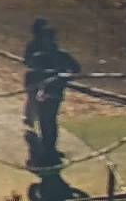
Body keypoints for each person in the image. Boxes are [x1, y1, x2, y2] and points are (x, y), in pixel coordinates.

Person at [32, 27, 81, 160]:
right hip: (41, 92)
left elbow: (76, 69)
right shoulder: (39, 56)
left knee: (50, 120)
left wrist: (64, 77)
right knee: (44, 120)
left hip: (55, 93)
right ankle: (47, 146)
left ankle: (50, 147)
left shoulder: (62, 55)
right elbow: (35, 72)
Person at [23, 18, 50, 128]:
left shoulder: (34, 44)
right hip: (38, 75)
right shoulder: (45, 45)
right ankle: (32, 117)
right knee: (34, 97)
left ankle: (32, 117)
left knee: (34, 97)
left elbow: (26, 60)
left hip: (40, 75)